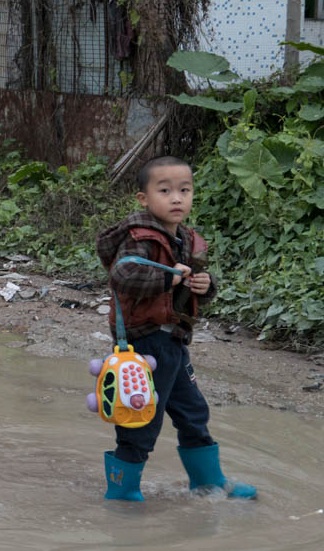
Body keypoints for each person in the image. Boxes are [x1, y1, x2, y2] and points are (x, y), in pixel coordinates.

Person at [95, 155, 257, 501]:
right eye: (165, 190)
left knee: (194, 412)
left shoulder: (184, 237)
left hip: (174, 344)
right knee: (140, 422)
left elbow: (186, 291)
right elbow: (123, 276)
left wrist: (204, 285)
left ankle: (208, 483)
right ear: (144, 198)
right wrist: (170, 278)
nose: (176, 198)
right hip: (145, 348)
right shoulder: (140, 238)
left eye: (184, 190)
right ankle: (122, 495)